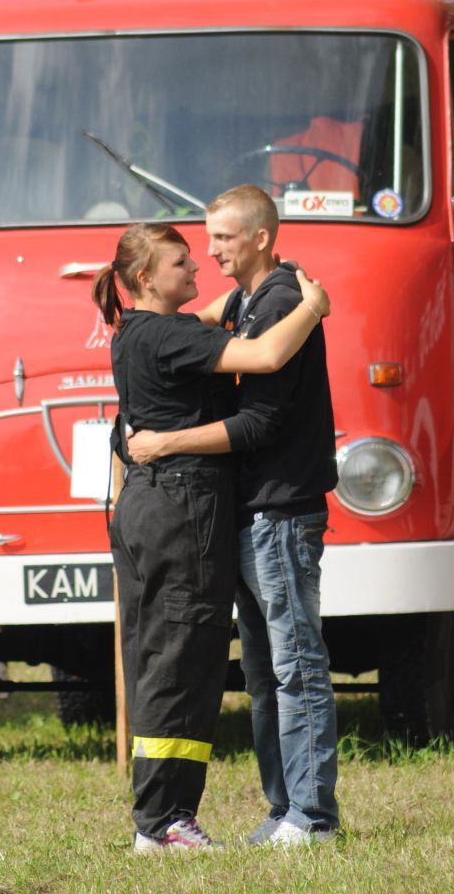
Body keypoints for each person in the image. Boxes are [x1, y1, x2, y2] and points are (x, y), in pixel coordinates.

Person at [92, 221, 329, 854]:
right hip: (183, 510)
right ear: (146, 279)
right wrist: (310, 308)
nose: (198, 273)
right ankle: (166, 821)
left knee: (155, 658)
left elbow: (213, 314)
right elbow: (266, 356)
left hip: (148, 509)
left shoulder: (136, 331)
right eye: (182, 265)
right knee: (184, 661)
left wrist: (248, 290)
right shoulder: (168, 334)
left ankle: (159, 817)